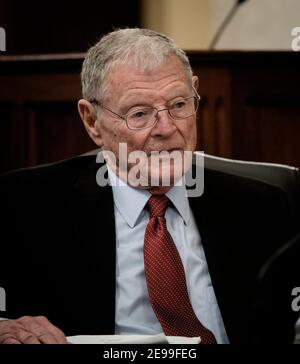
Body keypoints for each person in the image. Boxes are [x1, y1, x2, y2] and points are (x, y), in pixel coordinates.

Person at [0, 28, 298, 344]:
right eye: (140, 113)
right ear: (92, 121)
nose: (167, 128)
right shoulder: (22, 206)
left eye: (179, 104)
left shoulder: (264, 206)